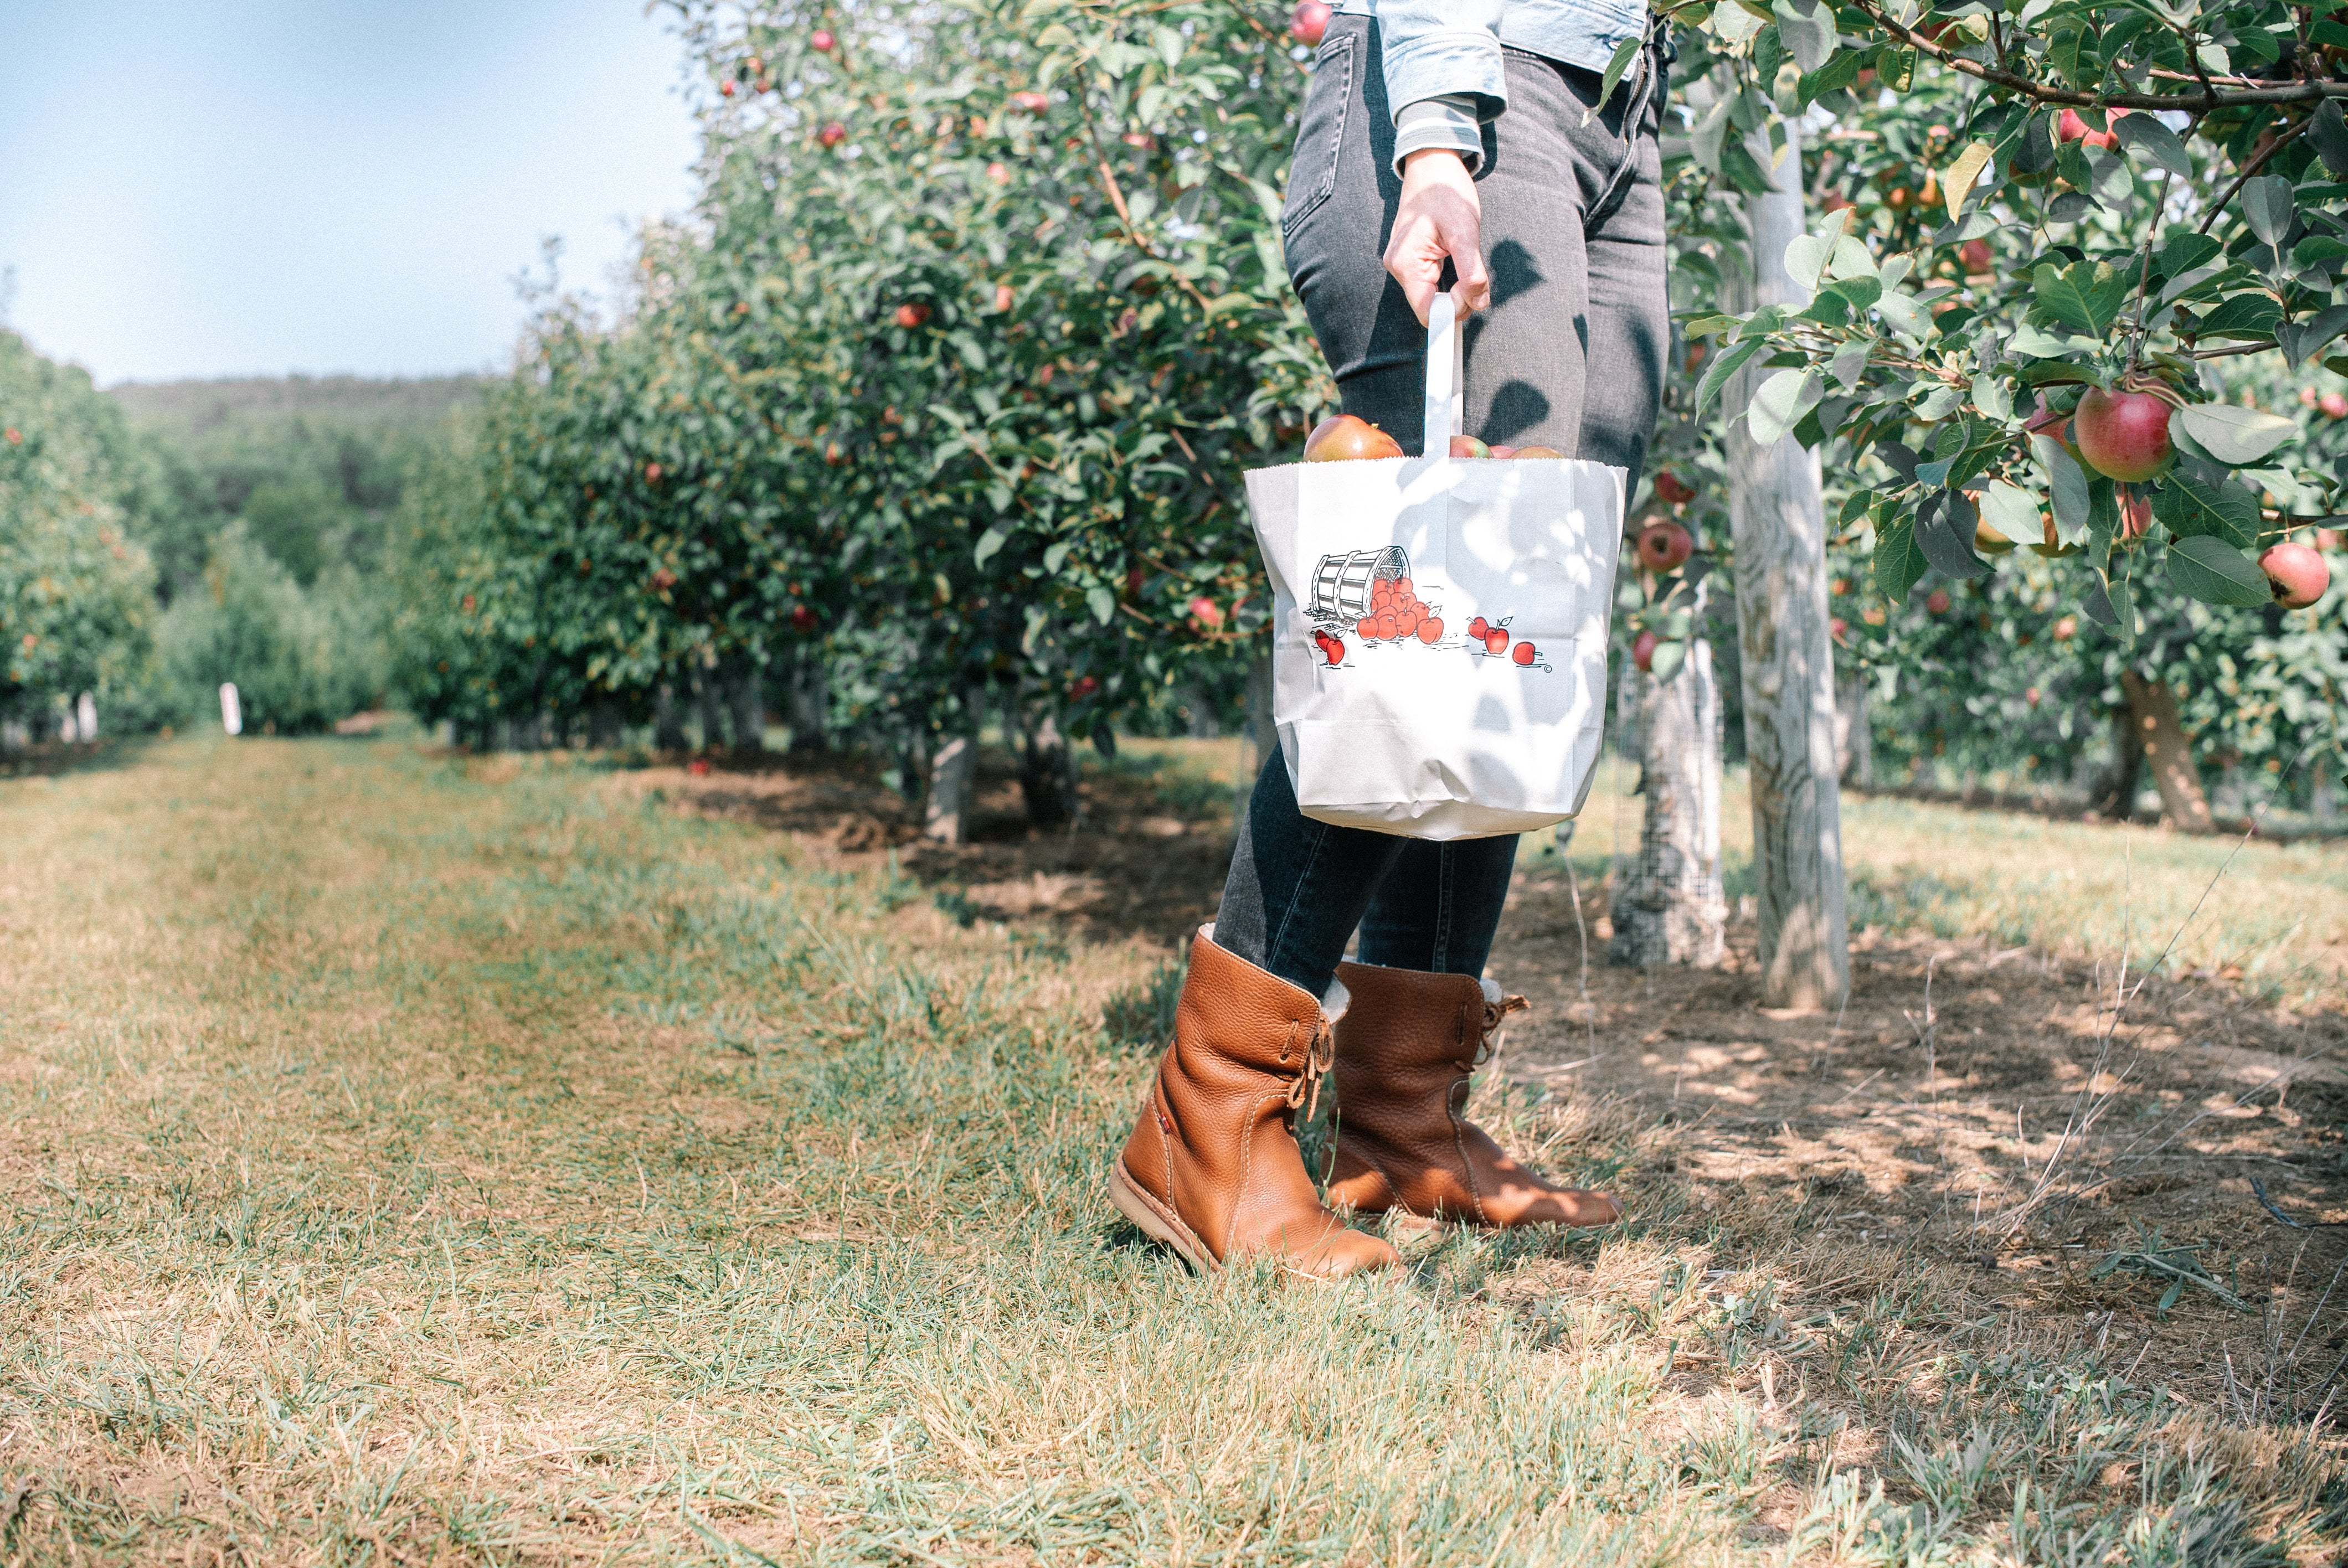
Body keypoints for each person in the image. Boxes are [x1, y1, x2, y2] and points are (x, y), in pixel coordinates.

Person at [1106, 2, 1667, 1277]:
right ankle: (1206, 1127)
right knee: (1416, 612)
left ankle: (1407, 1119)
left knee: (1509, 612)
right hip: (1470, 90)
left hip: (1615, 113)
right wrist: (1430, 148)